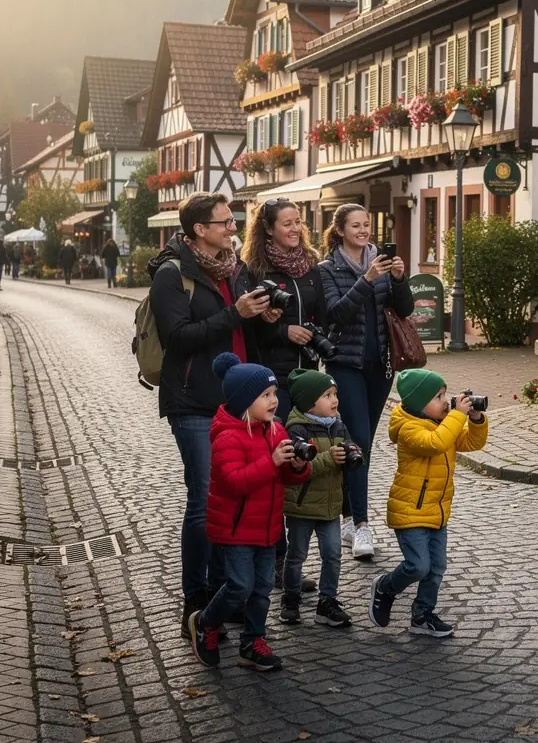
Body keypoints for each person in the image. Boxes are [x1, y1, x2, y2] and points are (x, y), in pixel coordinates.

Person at [148, 192, 273, 638]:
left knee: (231, 496)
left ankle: (226, 595)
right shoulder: (171, 274)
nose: (233, 228)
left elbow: (239, 326)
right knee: (203, 500)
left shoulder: (233, 269)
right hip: (193, 400)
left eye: (234, 221)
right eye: (224, 223)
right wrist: (233, 314)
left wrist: (260, 315)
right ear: (199, 229)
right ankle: (196, 600)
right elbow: (178, 337)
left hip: (236, 401)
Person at [188, 353, 309, 672]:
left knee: (261, 588)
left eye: (273, 394)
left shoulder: (275, 430)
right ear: (244, 401)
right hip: (235, 528)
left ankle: (252, 642)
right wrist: (272, 463)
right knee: (240, 585)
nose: (273, 400)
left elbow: (288, 478)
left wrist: (297, 466)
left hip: (267, 528)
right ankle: (205, 621)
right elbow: (234, 482)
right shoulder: (227, 437)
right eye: (265, 396)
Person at [319, 203, 414, 561]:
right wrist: (367, 280)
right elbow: (335, 313)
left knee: (363, 445)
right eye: (355, 226)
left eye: (367, 225)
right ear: (340, 230)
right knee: (359, 441)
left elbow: (403, 310)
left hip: (381, 365)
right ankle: (361, 525)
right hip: (345, 364)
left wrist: (400, 279)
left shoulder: (382, 263)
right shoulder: (327, 269)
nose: (363, 231)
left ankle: (346, 515)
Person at [242, 197, 327, 588]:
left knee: (303, 466)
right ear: (269, 228)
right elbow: (248, 326)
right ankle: (275, 562)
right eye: (287, 224)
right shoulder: (255, 269)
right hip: (273, 381)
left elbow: (322, 313)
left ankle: (292, 563)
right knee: (279, 464)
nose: (294, 229)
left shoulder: (310, 267)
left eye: (298, 223)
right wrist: (281, 330)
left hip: (307, 377)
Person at [367, 369, 488, 638]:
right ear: (418, 403)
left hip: (438, 510)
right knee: (418, 566)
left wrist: (476, 419)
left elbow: (470, 442)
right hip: (411, 511)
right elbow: (436, 443)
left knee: (436, 568)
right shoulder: (409, 429)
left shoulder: (442, 423)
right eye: (438, 396)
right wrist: (457, 415)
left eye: (445, 394)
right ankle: (386, 587)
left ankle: (422, 616)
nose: (445, 401)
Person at [279, 368, 353, 629]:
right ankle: (290, 598)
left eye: (335, 394)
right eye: (327, 395)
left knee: (333, 555)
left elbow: (350, 446)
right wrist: (328, 458)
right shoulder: (296, 429)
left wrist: (354, 454)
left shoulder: (338, 424)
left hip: (331, 506)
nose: (335, 400)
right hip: (302, 506)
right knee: (296, 554)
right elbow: (300, 465)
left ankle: (327, 601)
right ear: (309, 401)